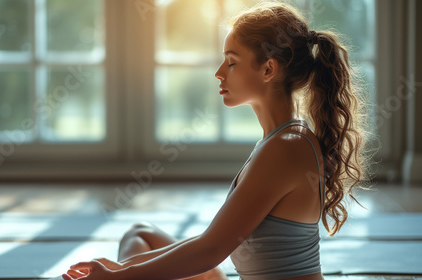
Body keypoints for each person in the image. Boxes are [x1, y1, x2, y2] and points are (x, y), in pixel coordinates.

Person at [63, 1, 371, 279]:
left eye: (232, 62)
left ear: (268, 69)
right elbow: (212, 242)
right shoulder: (283, 138)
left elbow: (210, 251)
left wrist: (118, 277)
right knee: (140, 233)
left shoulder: (286, 148)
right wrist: (123, 268)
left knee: (144, 259)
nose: (219, 73)